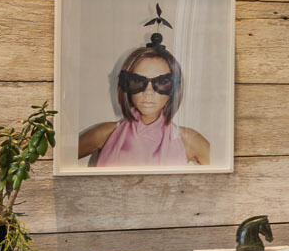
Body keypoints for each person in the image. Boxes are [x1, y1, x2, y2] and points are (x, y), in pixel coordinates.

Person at [79, 11, 211, 166]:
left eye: (161, 83)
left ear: (173, 89)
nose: (148, 92)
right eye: (138, 81)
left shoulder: (190, 142)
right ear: (127, 85)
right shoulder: (104, 134)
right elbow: (57, 159)